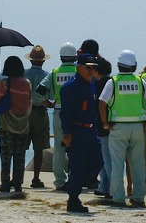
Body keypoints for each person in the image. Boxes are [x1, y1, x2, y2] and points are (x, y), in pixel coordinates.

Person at [99, 50, 146, 208]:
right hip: (137, 126)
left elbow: (102, 103)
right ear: (134, 66)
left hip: (117, 127)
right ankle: (139, 197)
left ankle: (118, 198)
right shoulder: (139, 81)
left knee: (117, 164)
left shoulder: (113, 82)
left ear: (118, 65)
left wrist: (105, 123)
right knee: (137, 163)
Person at [60, 53, 103, 213]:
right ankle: (73, 199)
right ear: (79, 68)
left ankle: (72, 185)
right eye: (88, 67)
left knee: (98, 161)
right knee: (77, 166)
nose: (91, 71)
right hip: (77, 132)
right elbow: (65, 113)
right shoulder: (70, 88)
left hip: (91, 131)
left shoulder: (91, 84)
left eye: (93, 68)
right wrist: (67, 133)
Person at [36, 42, 78, 190]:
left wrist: (47, 103)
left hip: (59, 111)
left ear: (60, 57)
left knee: (59, 147)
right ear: (75, 57)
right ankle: (76, 179)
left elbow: (40, 90)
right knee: (77, 147)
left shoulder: (54, 72)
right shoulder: (79, 72)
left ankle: (60, 181)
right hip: (77, 113)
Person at [0, 55, 32, 192]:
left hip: (6, 125)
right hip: (23, 125)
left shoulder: (4, 84)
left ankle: (5, 182)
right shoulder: (27, 83)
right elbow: (28, 102)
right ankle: (18, 182)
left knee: (6, 156)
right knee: (20, 156)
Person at [24, 44, 51, 188]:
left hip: (24, 112)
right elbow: (49, 96)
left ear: (30, 60)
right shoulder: (47, 75)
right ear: (43, 61)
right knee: (39, 147)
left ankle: (18, 176)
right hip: (40, 112)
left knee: (21, 146)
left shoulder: (23, 74)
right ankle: (36, 178)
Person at [94, 57, 113, 199]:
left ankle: (111, 187)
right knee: (107, 158)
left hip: (102, 125)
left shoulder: (97, 85)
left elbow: (98, 106)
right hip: (114, 123)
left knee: (105, 158)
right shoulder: (113, 82)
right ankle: (104, 186)